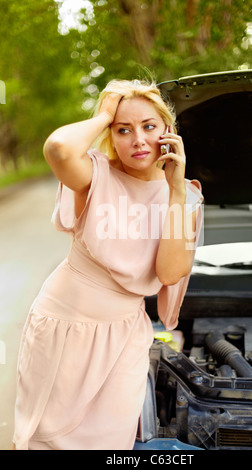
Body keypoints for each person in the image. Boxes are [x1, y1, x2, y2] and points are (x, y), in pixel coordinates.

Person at [13, 79, 203, 450]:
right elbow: (58, 147)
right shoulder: (96, 175)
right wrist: (103, 113)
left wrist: (176, 190)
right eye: (123, 129)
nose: (138, 140)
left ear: (168, 131)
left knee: (109, 444)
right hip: (63, 327)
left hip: (123, 336)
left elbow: (169, 272)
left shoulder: (186, 196)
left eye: (149, 126)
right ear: (110, 135)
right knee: (47, 439)